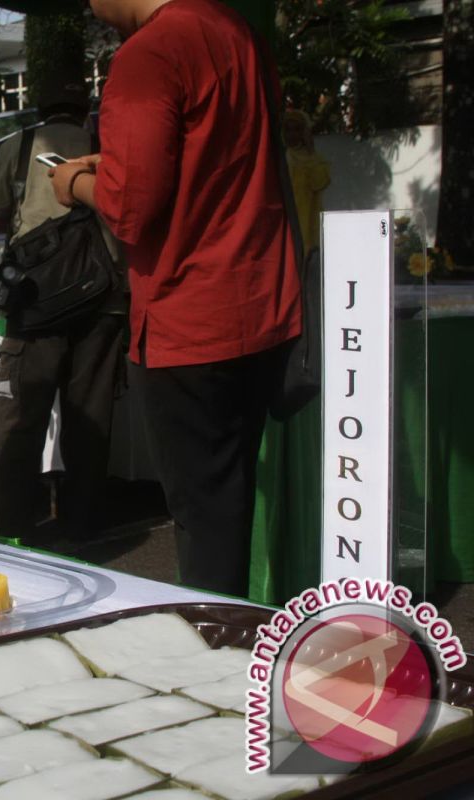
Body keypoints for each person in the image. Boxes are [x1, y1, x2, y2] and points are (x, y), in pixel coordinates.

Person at [49, 0, 301, 596]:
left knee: (203, 521)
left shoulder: (147, 56)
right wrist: (110, 166)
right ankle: (233, 641)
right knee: (228, 502)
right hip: (259, 304)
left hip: (190, 315)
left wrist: (75, 182)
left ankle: (219, 658)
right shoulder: (234, 28)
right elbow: (208, 160)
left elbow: (132, 211)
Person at [0, 81, 127, 544]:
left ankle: (12, 520)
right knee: (90, 415)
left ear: (40, 110)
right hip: (104, 298)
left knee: (20, 414)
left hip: (38, 299)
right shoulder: (106, 147)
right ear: (85, 111)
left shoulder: (22, 144)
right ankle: (81, 521)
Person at [283, 109, 330, 254]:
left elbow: (319, 183)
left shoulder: (316, 160)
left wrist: (310, 154)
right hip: (285, 222)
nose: (292, 135)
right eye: (288, 130)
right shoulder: (279, 159)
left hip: (308, 222)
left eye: (297, 129)